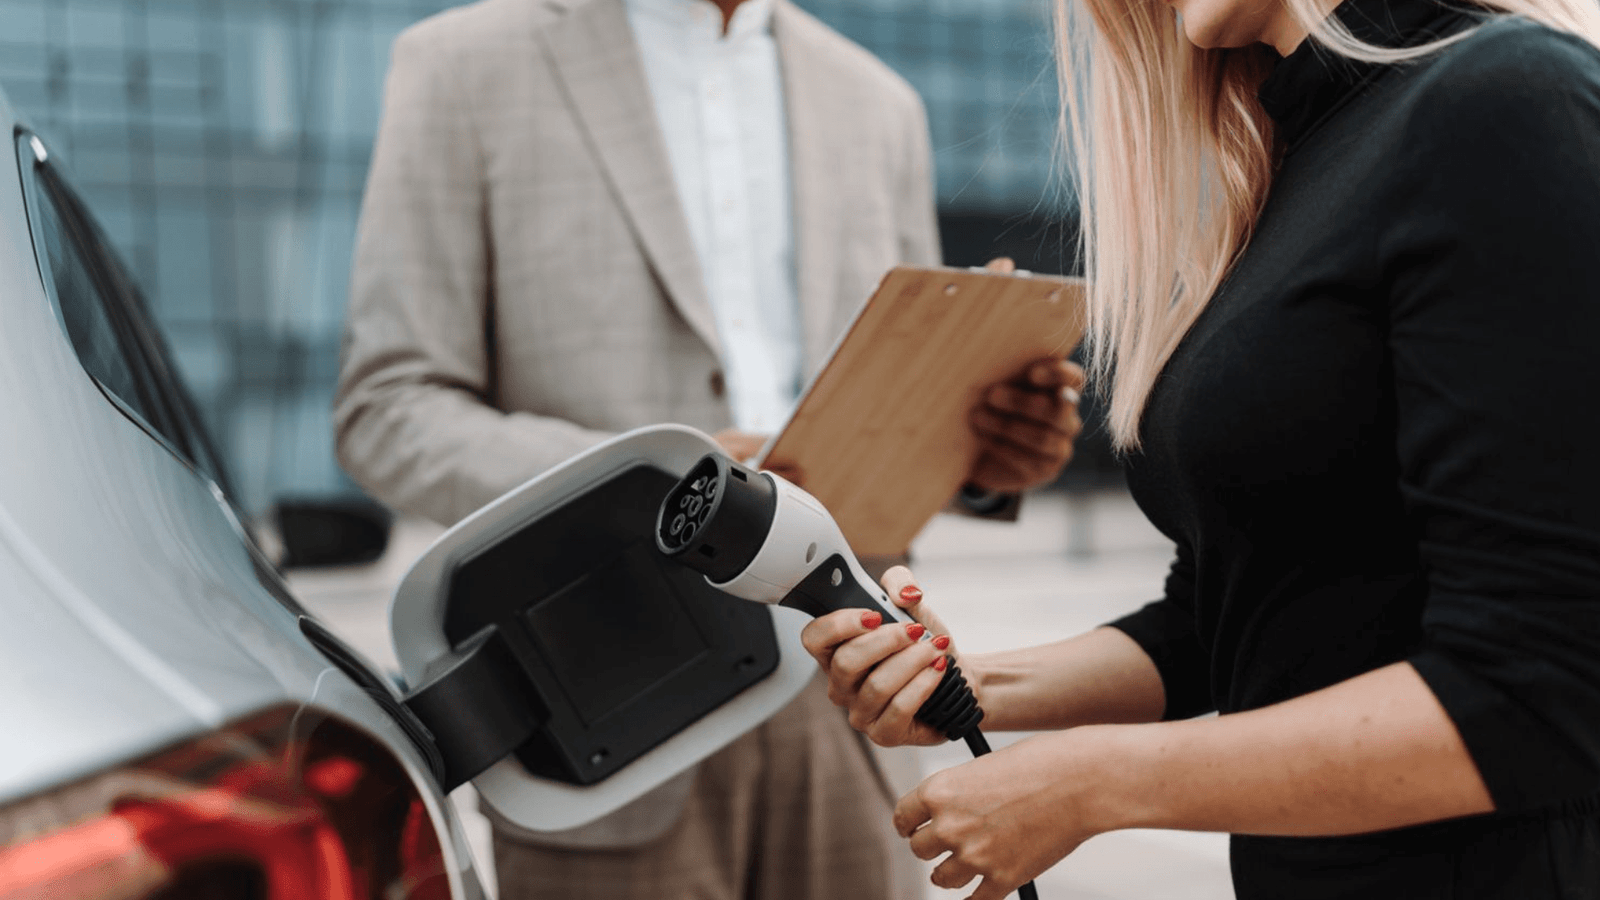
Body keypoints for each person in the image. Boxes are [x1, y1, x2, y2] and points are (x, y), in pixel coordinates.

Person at [801, 0, 1600, 897]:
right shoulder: (1295, 161)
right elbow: (1237, 612)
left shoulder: (1505, 100)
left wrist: (1093, 783)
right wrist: (971, 685)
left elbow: (1546, 692)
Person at [334, 0, 1085, 896]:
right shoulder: (461, 65)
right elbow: (388, 409)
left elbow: (894, 405)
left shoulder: (878, 102)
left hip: (847, 700)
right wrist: (649, 480)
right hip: (609, 699)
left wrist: (985, 460)